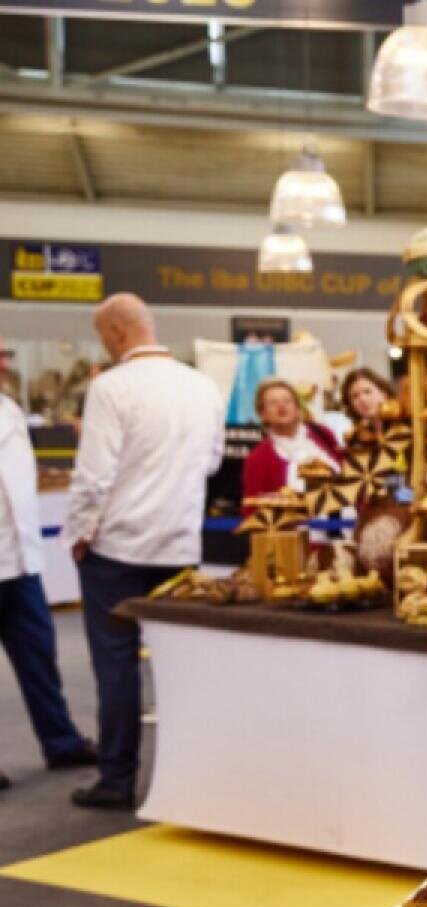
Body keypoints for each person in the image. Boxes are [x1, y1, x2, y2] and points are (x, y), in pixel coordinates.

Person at [64, 294, 224, 810]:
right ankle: (192, 774)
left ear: (115, 333)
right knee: (181, 665)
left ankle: (117, 779)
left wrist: (79, 534)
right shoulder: (203, 387)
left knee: (116, 667)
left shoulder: (110, 388)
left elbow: (94, 475)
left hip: (117, 548)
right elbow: (212, 461)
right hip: (179, 544)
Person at [0, 341, 94, 793]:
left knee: (39, 654)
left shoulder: (9, 410)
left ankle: (60, 741)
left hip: (21, 559)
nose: (4, 364)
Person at [241, 378, 341, 499]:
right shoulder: (257, 458)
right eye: (273, 402)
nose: (281, 406)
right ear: (263, 414)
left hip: (342, 517)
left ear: (298, 409)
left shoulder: (323, 434)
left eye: (287, 401)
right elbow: (252, 509)